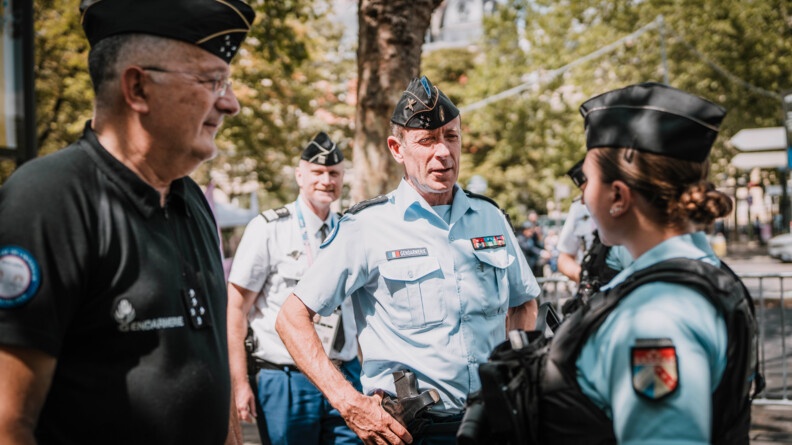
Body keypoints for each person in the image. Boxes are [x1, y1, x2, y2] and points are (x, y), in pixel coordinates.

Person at [0, 1, 255, 443]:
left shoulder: (190, 197)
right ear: (137, 88)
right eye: (211, 81)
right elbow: (9, 421)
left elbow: (209, 375)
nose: (229, 103)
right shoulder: (49, 199)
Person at [275, 76, 541, 445]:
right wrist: (349, 403)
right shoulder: (366, 226)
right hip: (412, 431)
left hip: (494, 421)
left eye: (451, 136)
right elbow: (292, 318)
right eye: (427, 141)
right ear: (397, 149)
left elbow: (524, 301)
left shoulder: (490, 217)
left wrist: (518, 370)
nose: (444, 152)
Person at [538, 83, 760, 444]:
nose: (582, 194)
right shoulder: (705, 274)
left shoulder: (656, 315)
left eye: (588, 179)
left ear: (618, 196)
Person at [227, 132, 362, 445]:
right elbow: (235, 309)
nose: (326, 180)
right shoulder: (269, 229)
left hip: (344, 374)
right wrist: (239, 382)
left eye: (334, 173)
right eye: (317, 172)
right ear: (300, 175)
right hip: (287, 379)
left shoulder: (352, 230)